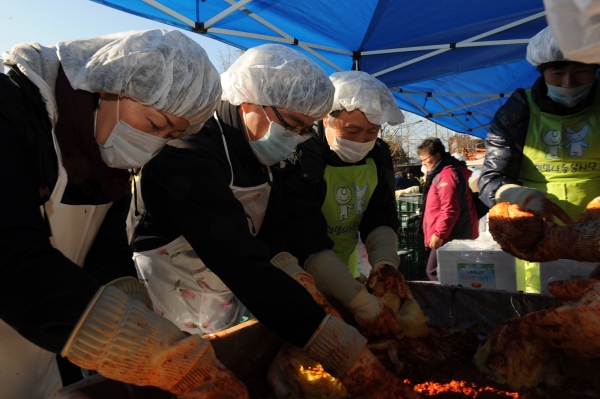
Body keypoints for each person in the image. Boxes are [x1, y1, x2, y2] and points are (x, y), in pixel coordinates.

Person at [128, 46, 408, 398]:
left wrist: (297, 275)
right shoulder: (190, 152)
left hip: (234, 291)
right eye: (291, 125)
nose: (294, 138)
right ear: (249, 101)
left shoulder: (262, 151)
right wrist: (329, 339)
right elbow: (236, 256)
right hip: (175, 292)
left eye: (304, 130)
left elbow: (273, 233)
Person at [0, 29, 252, 399]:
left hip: (38, 361)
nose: (154, 144)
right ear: (109, 85)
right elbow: (11, 257)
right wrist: (145, 346)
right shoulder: (10, 112)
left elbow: (105, 251)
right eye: (154, 125)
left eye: (170, 135)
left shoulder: (103, 157)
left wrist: (134, 303)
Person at [280, 70, 411, 337]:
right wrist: (359, 300)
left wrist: (385, 262)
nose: (361, 141)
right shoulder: (301, 153)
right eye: (352, 130)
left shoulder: (379, 154)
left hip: (345, 271)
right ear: (327, 118)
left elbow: (380, 213)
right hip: (299, 272)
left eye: (371, 132)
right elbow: (303, 233)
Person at [478, 26, 600, 224]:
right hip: (537, 235)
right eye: (557, 73)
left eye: (581, 71)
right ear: (543, 73)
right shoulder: (517, 112)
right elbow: (491, 178)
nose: (568, 83)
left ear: (596, 69)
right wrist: (517, 196)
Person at [418, 138, 479, 281]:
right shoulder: (443, 173)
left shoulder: (447, 175)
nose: (423, 163)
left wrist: (439, 234)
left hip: (450, 235)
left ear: (437, 155)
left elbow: (450, 208)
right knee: (451, 273)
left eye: (425, 159)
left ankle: (447, 302)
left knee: (435, 272)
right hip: (451, 233)